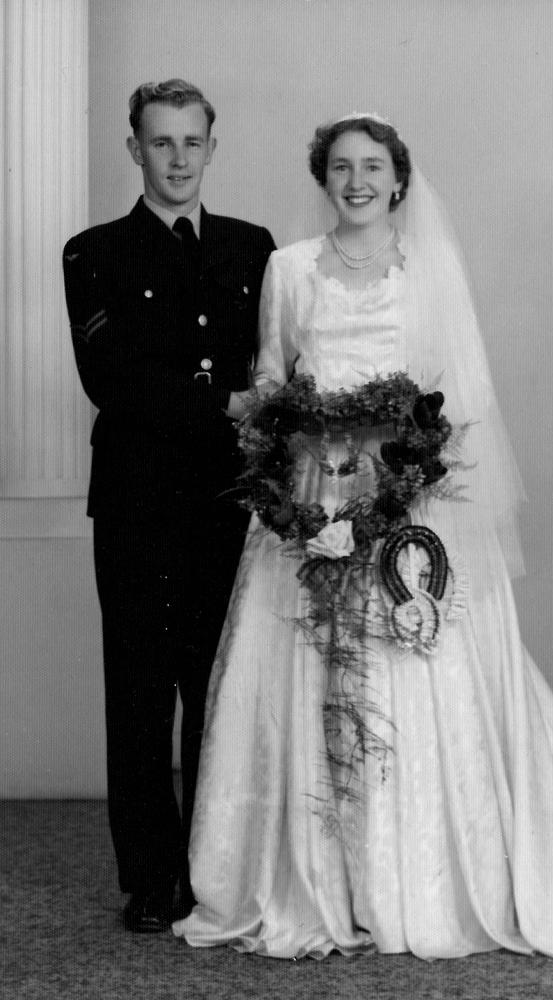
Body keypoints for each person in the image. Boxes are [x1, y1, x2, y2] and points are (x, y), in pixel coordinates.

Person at [173, 114, 553, 963]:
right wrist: (301, 499)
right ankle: (314, 884)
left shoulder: (428, 271)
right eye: (341, 167)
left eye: (374, 166)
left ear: (399, 180)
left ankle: (412, 881)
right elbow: (273, 383)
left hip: (408, 518)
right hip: (310, 511)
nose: (356, 181)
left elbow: (454, 405)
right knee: (297, 679)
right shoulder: (288, 270)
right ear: (323, 178)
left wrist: (393, 495)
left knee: (409, 676)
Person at [62, 80, 275, 933]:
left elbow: (275, 364)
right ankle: (151, 879)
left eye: (193, 142)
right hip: (138, 506)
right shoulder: (93, 252)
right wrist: (220, 402)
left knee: (220, 692)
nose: (179, 159)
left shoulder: (252, 248)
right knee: (144, 696)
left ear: (212, 148)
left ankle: (213, 869)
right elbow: (111, 382)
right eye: (162, 143)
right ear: (134, 150)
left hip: (229, 505)